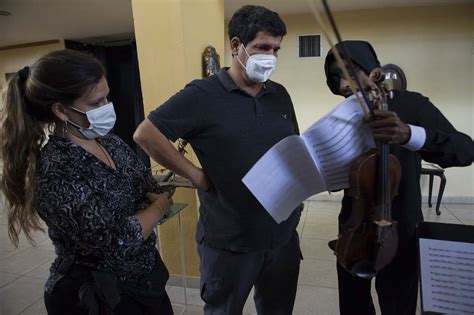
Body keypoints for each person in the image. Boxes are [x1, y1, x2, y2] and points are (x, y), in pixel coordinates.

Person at [134, 5, 303, 315]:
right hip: (229, 241)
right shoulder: (202, 95)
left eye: (276, 49)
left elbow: (292, 146)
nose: (271, 56)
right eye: (262, 47)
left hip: (281, 237)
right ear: (236, 46)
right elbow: (146, 134)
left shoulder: (280, 94)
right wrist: (196, 175)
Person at [0, 50, 173, 315]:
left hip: (146, 280)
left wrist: (157, 195)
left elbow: (145, 187)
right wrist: (159, 207)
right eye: (96, 102)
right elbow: (118, 238)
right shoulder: (55, 170)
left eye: (107, 97)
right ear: (60, 110)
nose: (107, 107)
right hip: (97, 296)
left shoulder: (111, 143)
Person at [323, 40, 474, 315]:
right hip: (354, 226)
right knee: (353, 305)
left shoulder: (412, 105)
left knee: (398, 305)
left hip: (401, 228)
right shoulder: (341, 116)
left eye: (349, 73)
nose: (344, 86)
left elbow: (465, 151)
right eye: (335, 79)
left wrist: (410, 134)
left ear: (374, 71)